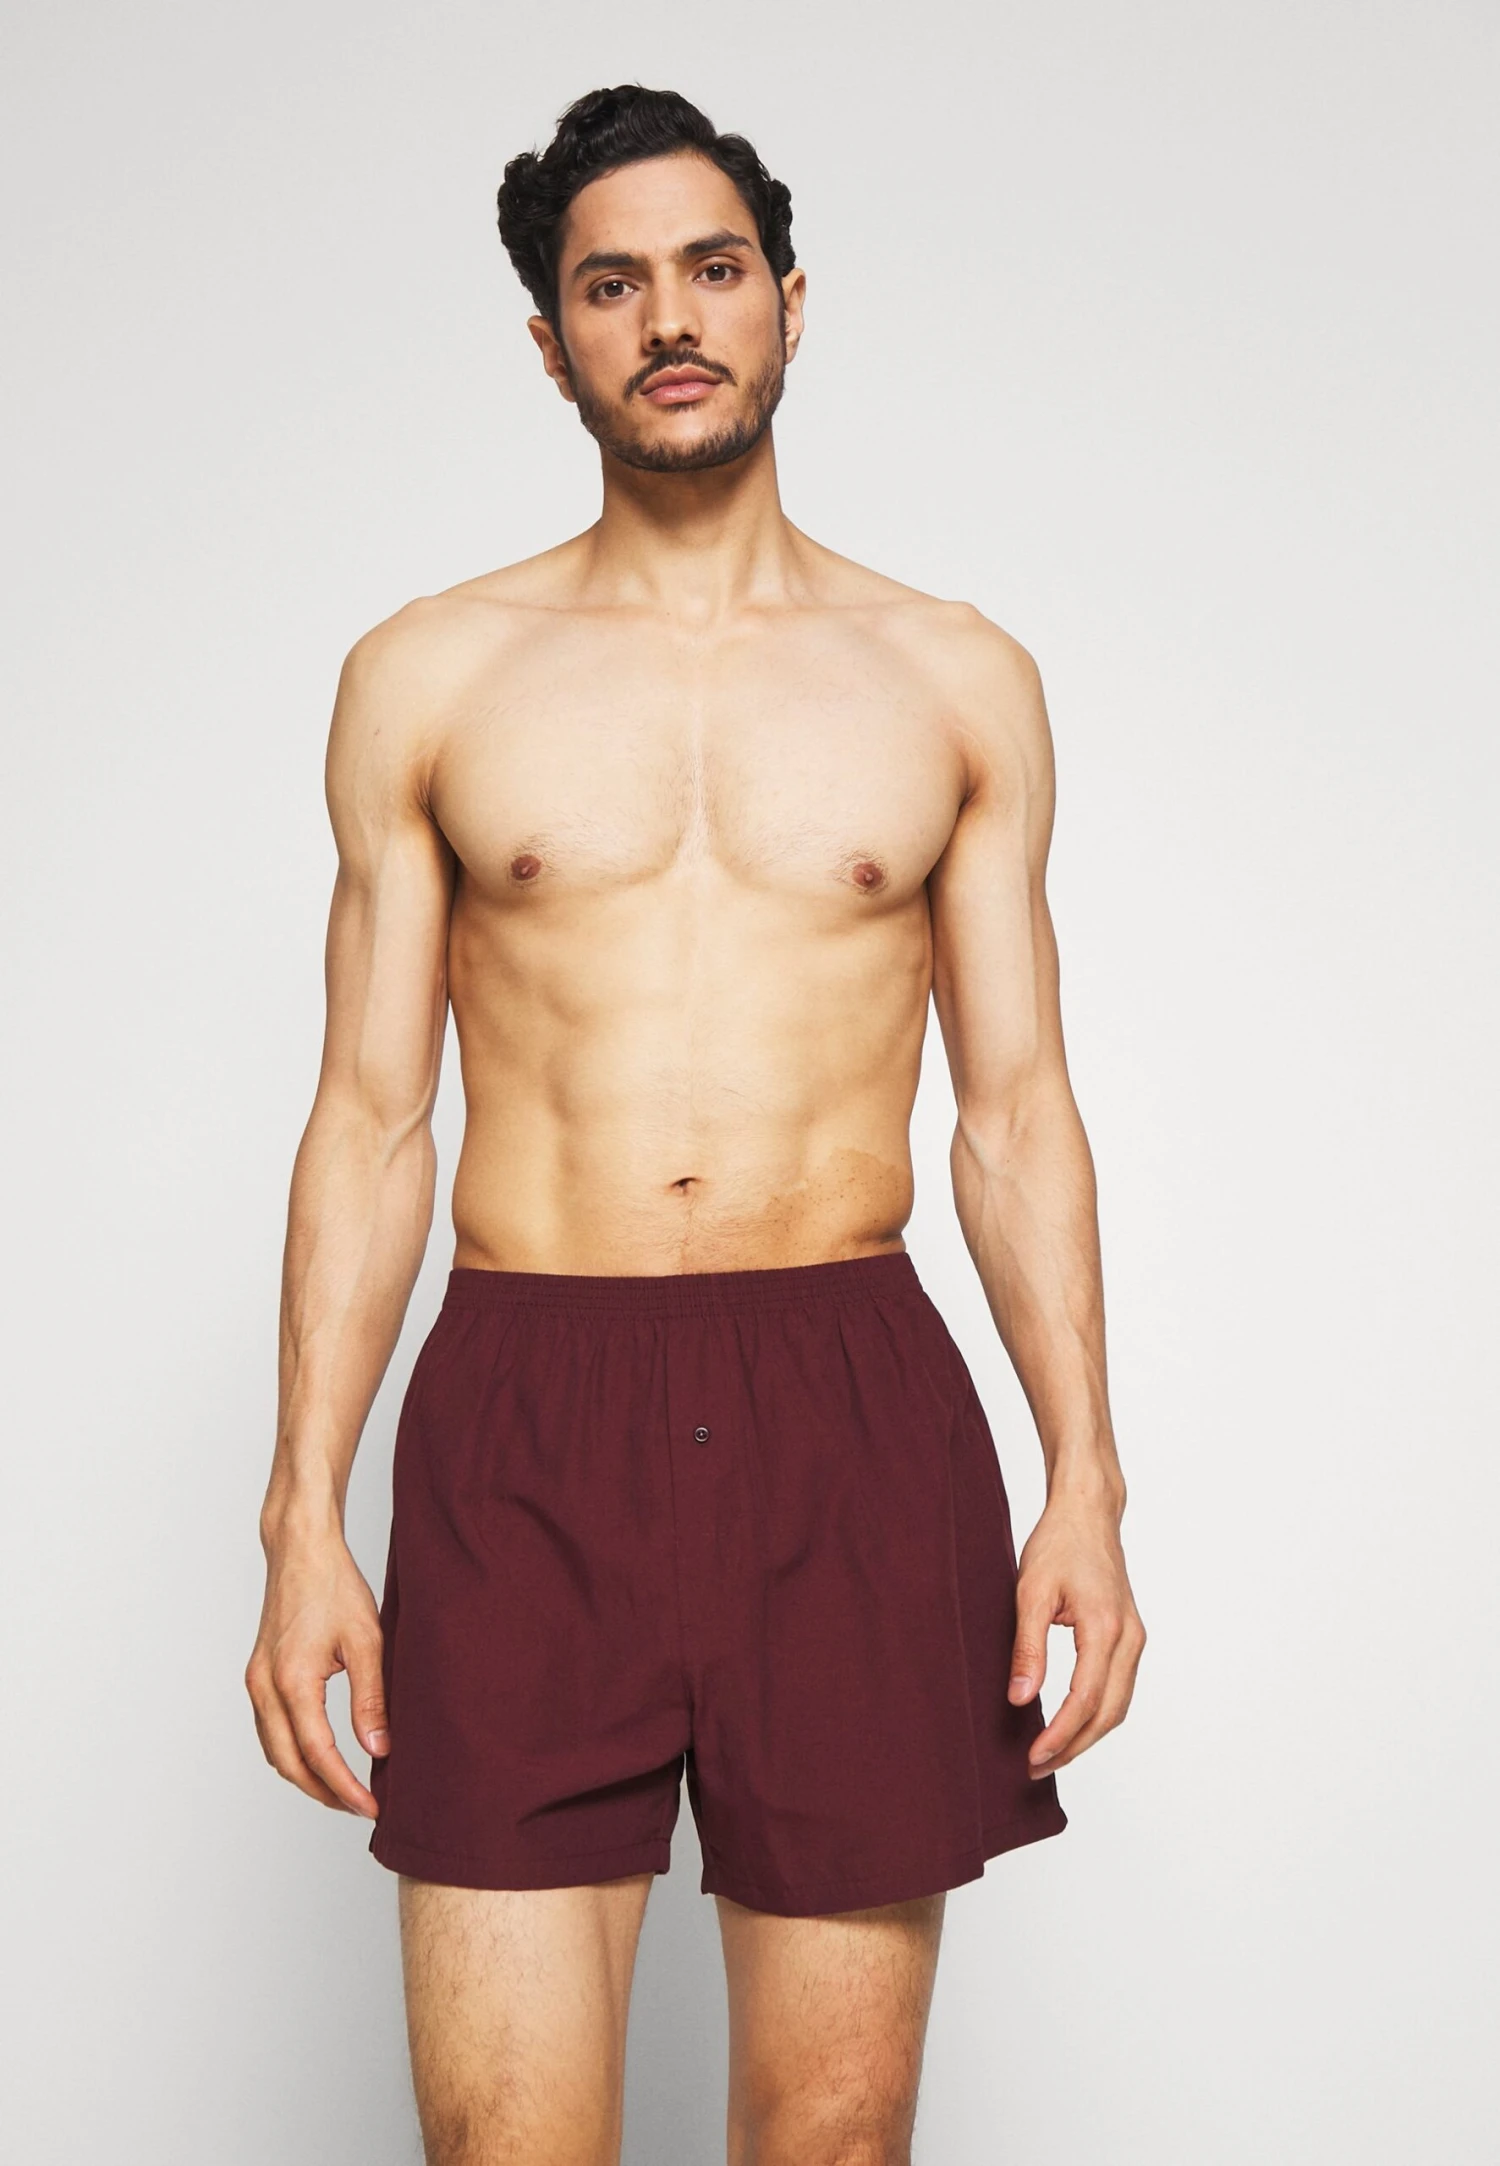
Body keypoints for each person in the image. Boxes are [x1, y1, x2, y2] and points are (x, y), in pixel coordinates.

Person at [246, 82, 1146, 2166]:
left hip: (849, 1404)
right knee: (505, 2143)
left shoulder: (953, 677)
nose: (670, 318)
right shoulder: (427, 676)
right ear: (550, 339)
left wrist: (1087, 1478)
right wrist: (300, 1514)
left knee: (837, 2141)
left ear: (790, 305)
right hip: (528, 1415)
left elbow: (1016, 1112)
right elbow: (369, 1116)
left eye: (714, 269)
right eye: (613, 283)